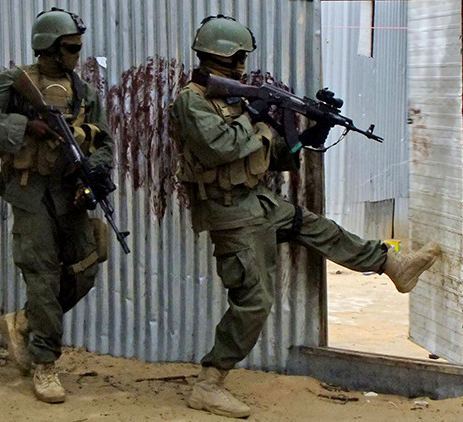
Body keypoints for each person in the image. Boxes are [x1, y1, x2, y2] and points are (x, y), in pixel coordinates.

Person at [170, 15, 441, 419]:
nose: (243, 64)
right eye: (239, 57)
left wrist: (313, 131)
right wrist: (256, 115)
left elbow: (277, 155)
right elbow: (220, 148)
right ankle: (209, 384)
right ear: (221, 56)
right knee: (254, 301)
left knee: (319, 228)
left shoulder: (233, 101)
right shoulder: (191, 101)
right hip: (229, 212)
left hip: (256, 201)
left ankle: (392, 265)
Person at [0, 8, 113, 403]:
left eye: (78, 47)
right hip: (31, 194)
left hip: (71, 195)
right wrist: (25, 126)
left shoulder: (84, 92)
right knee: (43, 277)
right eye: (71, 47)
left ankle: (25, 320)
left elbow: (105, 141)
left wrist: (94, 174)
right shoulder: (17, 82)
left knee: (85, 269)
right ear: (50, 47)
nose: (77, 54)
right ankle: (44, 363)